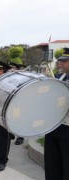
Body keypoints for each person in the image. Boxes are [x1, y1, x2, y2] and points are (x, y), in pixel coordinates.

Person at [44, 48, 69, 180]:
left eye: (64, 61)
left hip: (67, 127)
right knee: (53, 162)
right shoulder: (61, 77)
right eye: (59, 60)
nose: (60, 63)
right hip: (54, 125)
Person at [8, 62, 26, 145]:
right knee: (10, 118)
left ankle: (20, 137)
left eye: (13, 67)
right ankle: (11, 134)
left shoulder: (22, 77)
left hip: (20, 101)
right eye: (10, 68)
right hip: (11, 101)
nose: (11, 69)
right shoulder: (8, 76)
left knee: (20, 119)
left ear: (17, 69)